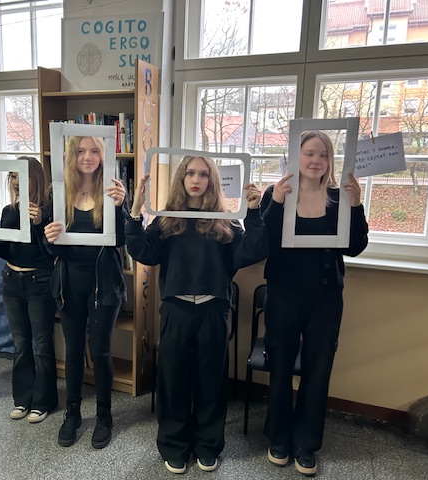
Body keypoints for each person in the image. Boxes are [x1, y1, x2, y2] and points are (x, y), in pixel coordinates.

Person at [125, 155, 269, 475]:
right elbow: (143, 251)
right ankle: (174, 445)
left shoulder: (224, 220)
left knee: (210, 382)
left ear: (211, 181)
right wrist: (135, 213)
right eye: (190, 173)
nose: (196, 179)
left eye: (203, 174)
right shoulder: (167, 220)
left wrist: (254, 212)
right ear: (182, 178)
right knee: (173, 380)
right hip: (176, 309)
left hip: (212, 309)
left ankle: (207, 445)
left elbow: (253, 251)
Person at [260, 131, 368, 476]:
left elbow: (355, 247)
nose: (316, 160)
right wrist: (276, 204)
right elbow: (262, 243)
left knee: (318, 371)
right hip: (283, 293)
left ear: (331, 160)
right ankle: (279, 438)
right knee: (279, 366)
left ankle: (306, 444)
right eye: (309, 153)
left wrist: (357, 205)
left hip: (325, 296)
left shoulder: (340, 197)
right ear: (296, 156)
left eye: (323, 154)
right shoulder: (276, 193)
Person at [43, 136, 127, 449]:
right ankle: (73, 413)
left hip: (104, 283)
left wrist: (121, 207)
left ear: (103, 156)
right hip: (69, 284)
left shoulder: (113, 191)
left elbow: (122, 240)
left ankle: (104, 414)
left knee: (101, 351)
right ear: (72, 156)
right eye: (80, 151)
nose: (87, 157)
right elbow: (49, 248)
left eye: (94, 151)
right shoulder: (59, 192)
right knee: (73, 350)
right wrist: (48, 238)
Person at [0, 157, 58, 422]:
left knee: (42, 343)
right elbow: (3, 251)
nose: (17, 181)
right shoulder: (8, 211)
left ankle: (43, 401)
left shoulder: (49, 210)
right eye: (13, 175)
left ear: (36, 178)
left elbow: (53, 252)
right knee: (20, 343)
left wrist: (40, 223)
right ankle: (22, 399)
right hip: (11, 279)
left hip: (39, 281)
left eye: (23, 175)